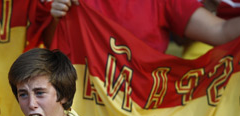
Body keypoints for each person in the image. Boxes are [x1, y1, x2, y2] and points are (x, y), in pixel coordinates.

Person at [47, 0, 240, 53]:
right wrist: (57, 17)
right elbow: (50, 46)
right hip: (83, 109)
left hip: (141, 112)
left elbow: (220, 31)